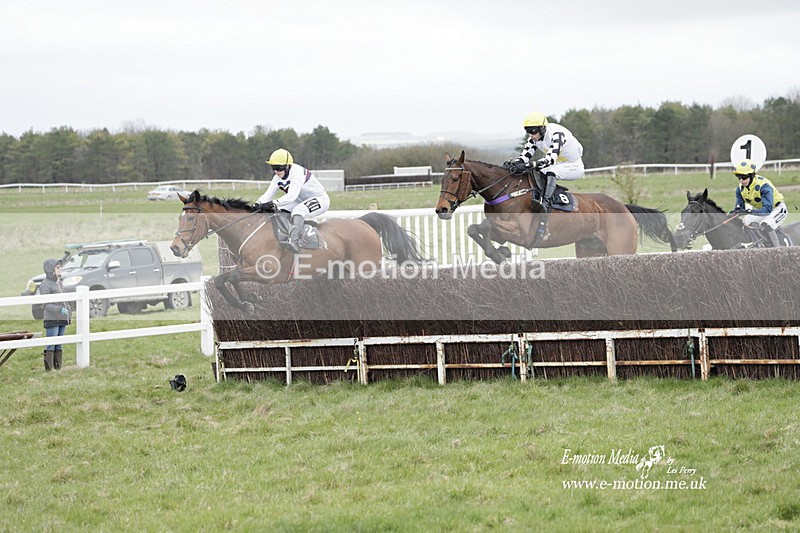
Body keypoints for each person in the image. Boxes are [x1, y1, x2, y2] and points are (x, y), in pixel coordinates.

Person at [503, 111, 585, 212]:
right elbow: (524, 157)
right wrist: (514, 165)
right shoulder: (534, 138)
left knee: (551, 172)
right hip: (557, 163)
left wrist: (528, 165)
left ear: (542, 128)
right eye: (528, 131)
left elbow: (549, 159)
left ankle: (546, 204)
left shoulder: (557, 134)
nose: (531, 135)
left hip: (573, 166)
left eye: (533, 131)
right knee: (537, 173)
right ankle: (536, 198)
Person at [254, 148, 331, 253]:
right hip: (300, 200)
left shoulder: (297, 172)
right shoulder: (277, 177)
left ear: (287, 166)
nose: (276, 172)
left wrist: (271, 203)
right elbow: (267, 195)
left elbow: (291, 196)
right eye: (273, 168)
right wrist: (255, 206)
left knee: (298, 211)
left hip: (320, 199)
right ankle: (285, 235)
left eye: (278, 168)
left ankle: (294, 241)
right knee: (279, 210)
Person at [730, 159, 787, 247]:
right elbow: (738, 209)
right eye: (738, 177)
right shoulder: (740, 189)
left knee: (765, 225)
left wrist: (748, 211)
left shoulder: (764, 186)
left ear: (752, 176)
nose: (741, 180)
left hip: (777, 209)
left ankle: (777, 251)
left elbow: (766, 210)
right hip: (762, 211)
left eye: (744, 177)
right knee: (744, 222)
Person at [39, 258, 73, 371]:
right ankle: (49, 370)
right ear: (51, 270)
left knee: (59, 344)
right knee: (51, 344)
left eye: (60, 267)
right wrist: (59, 309)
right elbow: (45, 305)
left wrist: (68, 308)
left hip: (62, 318)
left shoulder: (59, 282)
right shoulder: (45, 285)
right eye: (58, 267)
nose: (60, 269)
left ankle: (58, 368)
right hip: (52, 319)